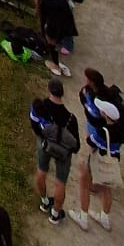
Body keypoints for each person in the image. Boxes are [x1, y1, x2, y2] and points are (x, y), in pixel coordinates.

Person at [70, 69, 124, 232]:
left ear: (105, 115)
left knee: (83, 180)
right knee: (107, 187)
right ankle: (105, 217)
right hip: (113, 157)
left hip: (99, 156)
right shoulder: (120, 127)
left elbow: (90, 141)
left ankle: (83, 216)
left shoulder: (102, 132)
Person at [29, 77, 80, 224]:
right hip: (63, 153)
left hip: (45, 144)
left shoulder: (40, 107)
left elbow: (35, 125)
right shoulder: (70, 118)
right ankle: (55, 214)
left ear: (49, 90)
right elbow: (76, 146)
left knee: (41, 171)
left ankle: (45, 201)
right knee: (60, 183)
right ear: (62, 93)